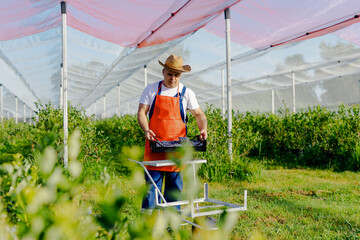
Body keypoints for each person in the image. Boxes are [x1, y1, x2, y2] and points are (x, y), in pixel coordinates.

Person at [137, 54, 207, 212]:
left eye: (177, 75)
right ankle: (147, 228)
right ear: (163, 72)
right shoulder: (152, 89)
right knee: (150, 191)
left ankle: (171, 226)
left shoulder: (186, 93)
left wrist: (203, 129)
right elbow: (142, 112)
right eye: (170, 74)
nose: (173, 78)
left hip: (177, 151)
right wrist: (146, 129)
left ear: (180, 75)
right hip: (155, 148)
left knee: (174, 191)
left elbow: (199, 115)